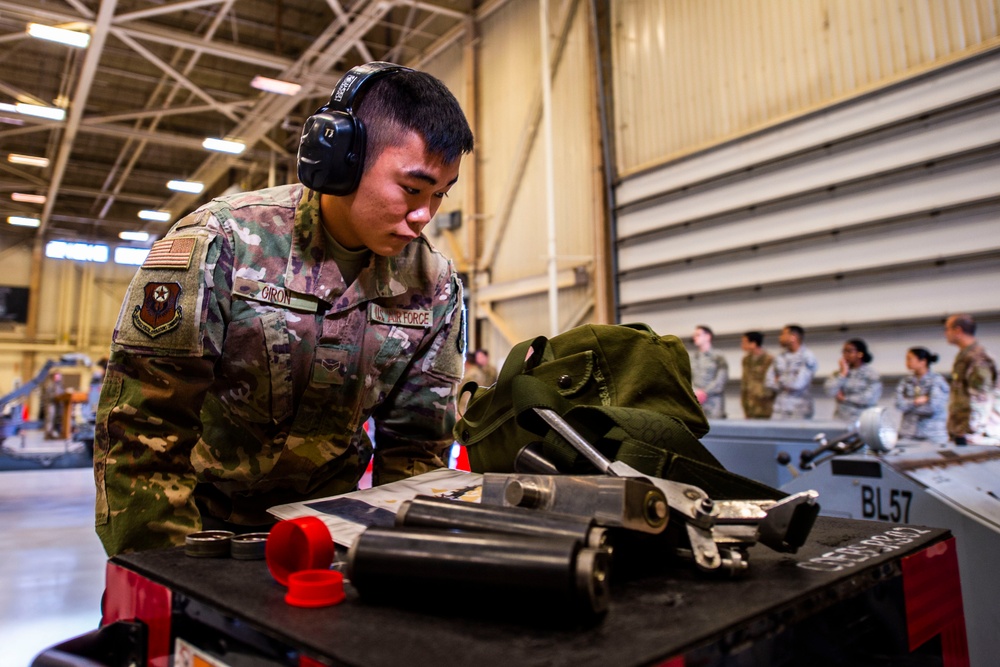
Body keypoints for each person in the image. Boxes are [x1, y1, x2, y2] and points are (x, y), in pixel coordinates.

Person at [93, 62, 475, 556]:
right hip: (196, 526)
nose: (424, 216)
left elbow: (416, 449)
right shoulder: (222, 242)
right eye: (412, 189)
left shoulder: (433, 285)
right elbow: (143, 427)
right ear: (341, 161)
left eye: (440, 195)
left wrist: (391, 559)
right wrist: (164, 569)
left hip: (328, 535)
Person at [944, 314, 998, 445]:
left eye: (947, 329)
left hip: (977, 436)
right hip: (964, 433)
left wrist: (972, 431)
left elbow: (981, 397)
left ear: (958, 330)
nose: (945, 333)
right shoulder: (964, 357)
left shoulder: (978, 358)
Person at [895, 347, 949, 444]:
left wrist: (909, 406)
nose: (907, 362)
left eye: (910, 358)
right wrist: (916, 402)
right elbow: (899, 404)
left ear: (923, 361)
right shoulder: (906, 381)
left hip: (931, 435)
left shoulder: (936, 381)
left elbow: (932, 407)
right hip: (908, 434)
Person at [765, 324, 818, 420]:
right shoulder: (779, 357)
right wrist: (788, 381)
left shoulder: (807, 357)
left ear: (793, 337)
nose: (780, 337)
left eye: (783, 334)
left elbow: (797, 385)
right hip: (779, 410)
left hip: (799, 411)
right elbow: (769, 382)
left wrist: (779, 379)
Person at [824, 338, 882, 423]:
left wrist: (845, 399)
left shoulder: (871, 374)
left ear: (860, 354)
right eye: (844, 352)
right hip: (840, 420)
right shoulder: (839, 373)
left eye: (849, 351)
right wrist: (843, 374)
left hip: (862, 422)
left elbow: (870, 398)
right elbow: (829, 391)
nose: (845, 355)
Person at [690, 325, 728, 419]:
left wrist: (704, 393)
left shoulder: (718, 357)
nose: (695, 337)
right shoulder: (693, 358)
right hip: (696, 404)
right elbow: (688, 378)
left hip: (713, 404)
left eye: (698, 335)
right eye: (694, 335)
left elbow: (721, 379)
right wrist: (695, 393)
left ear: (708, 336)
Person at [740, 331, 774, 419]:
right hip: (750, 404)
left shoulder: (769, 360)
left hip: (765, 405)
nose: (742, 345)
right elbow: (745, 382)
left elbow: (771, 385)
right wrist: (744, 404)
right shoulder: (746, 360)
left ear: (753, 343)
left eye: (745, 342)